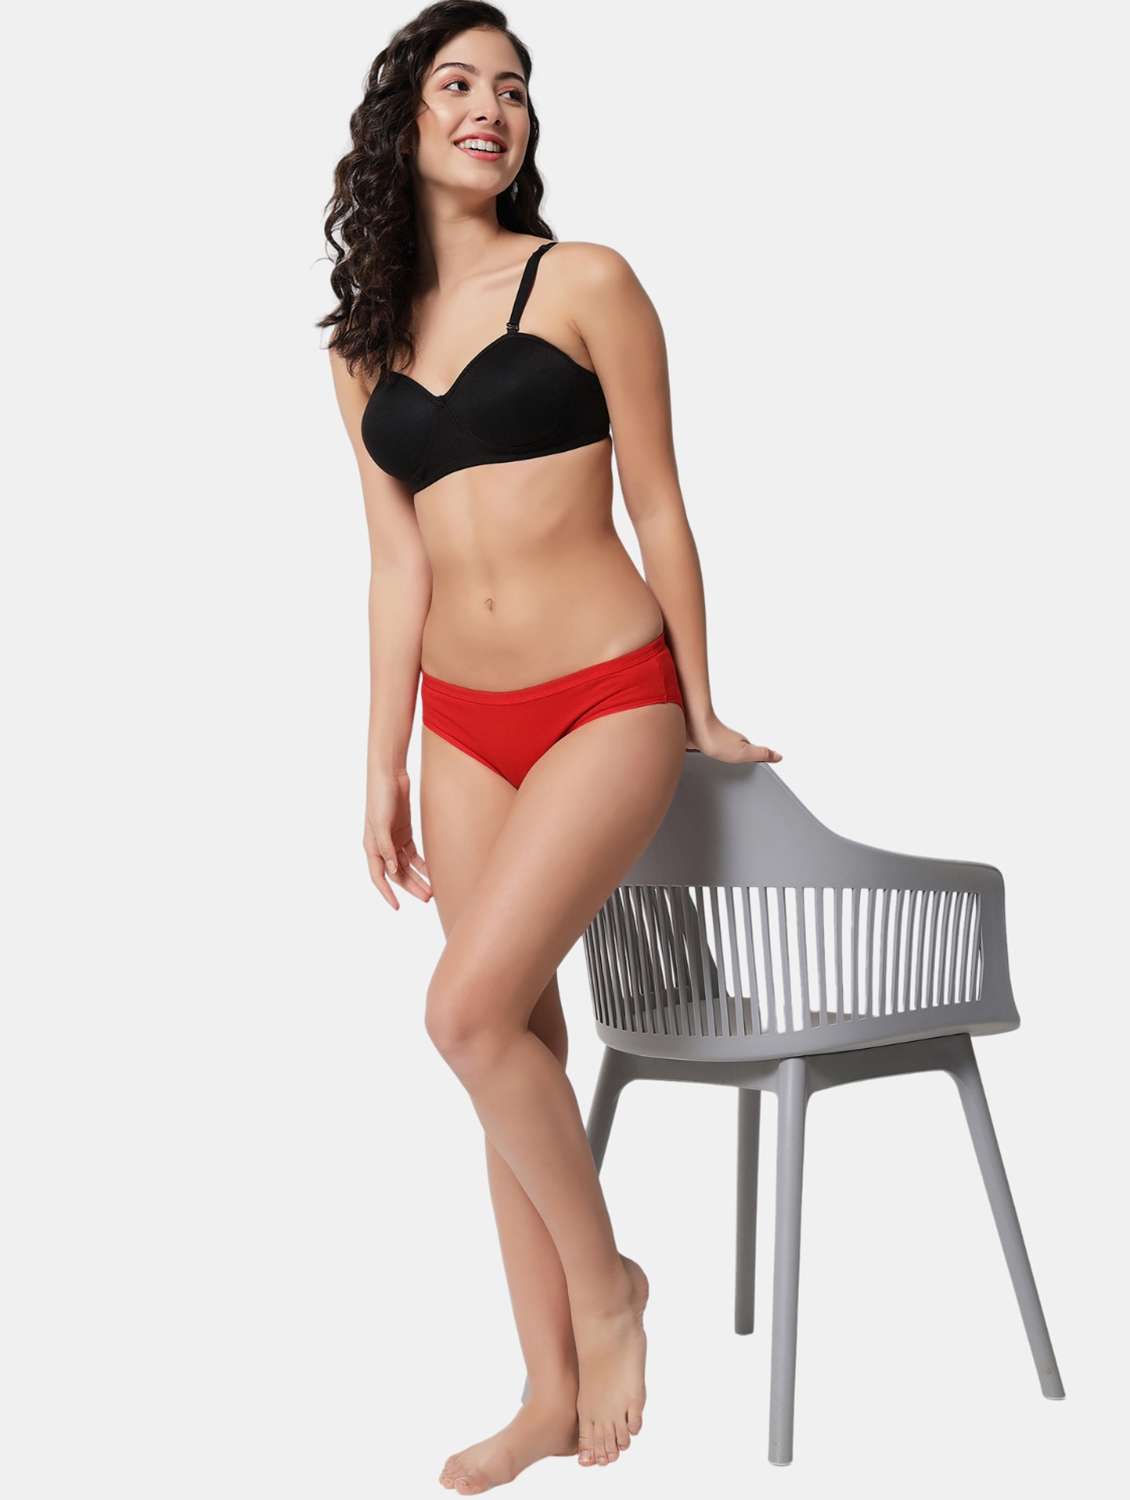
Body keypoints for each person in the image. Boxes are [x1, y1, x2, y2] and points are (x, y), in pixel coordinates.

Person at [321, 4, 781, 1492]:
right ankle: (543, 1390)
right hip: (462, 726)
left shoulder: (585, 280)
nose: (490, 107)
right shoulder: (362, 350)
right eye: (457, 83)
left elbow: (660, 500)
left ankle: (609, 1290)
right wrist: (381, 760)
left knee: (460, 1015)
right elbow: (395, 567)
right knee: (509, 1038)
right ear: (402, 122)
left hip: (603, 695)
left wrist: (699, 703)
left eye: (512, 89)